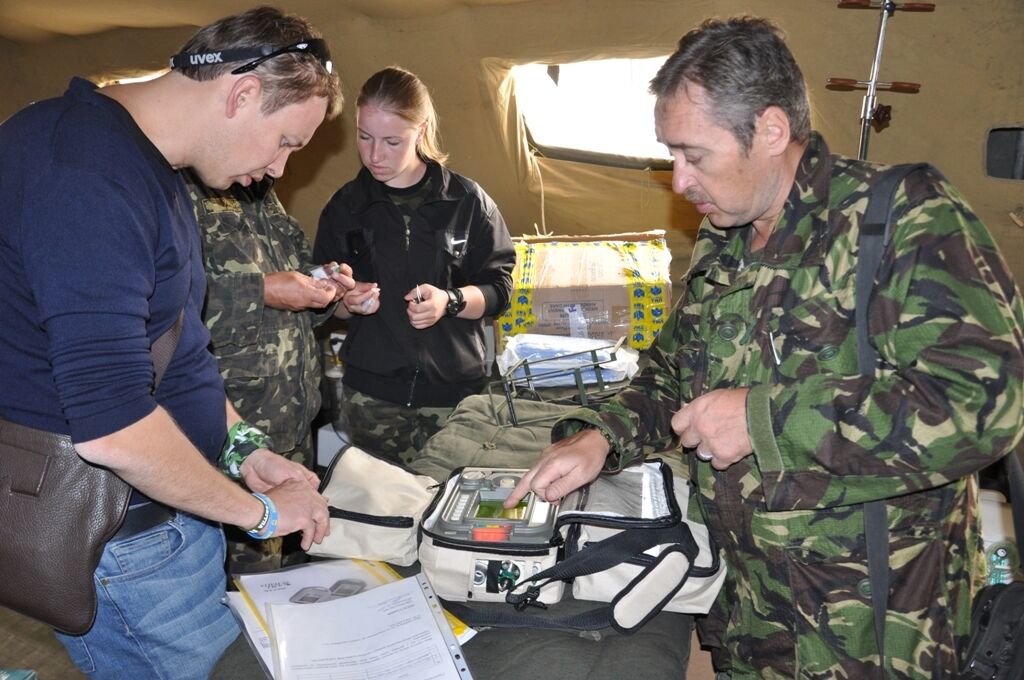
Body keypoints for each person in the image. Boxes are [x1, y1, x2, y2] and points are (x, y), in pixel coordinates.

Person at [506, 16, 1024, 679]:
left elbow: (988, 400)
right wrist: (599, 437)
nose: (681, 180)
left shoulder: (900, 219)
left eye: (695, 154)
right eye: (673, 155)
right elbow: (670, 371)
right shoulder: (726, 237)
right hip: (749, 620)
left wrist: (761, 420)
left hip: (868, 640)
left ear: (772, 131)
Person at [0, 6, 342, 679]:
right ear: (241, 94)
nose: (278, 167)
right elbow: (113, 426)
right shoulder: (84, 175)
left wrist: (246, 452)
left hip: (168, 516)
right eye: (285, 142)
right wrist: (262, 514)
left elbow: (179, 355)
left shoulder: (148, 165)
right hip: (117, 538)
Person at [314, 66, 516, 463]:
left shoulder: (466, 202)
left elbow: (500, 288)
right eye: (364, 137)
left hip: (455, 397)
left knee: (451, 515)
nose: (374, 155)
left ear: (421, 131)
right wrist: (345, 301)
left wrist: (450, 301)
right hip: (373, 399)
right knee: (384, 513)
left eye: (392, 141)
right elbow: (319, 298)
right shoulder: (347, 207)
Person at [183, 168, 355, 573]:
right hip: (229, 434)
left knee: (290, 576)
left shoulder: (261, 189)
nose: (281, 164)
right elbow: (166, 307)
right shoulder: (177, 188)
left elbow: (293, 296)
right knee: (242, 585)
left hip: (291, 427)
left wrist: (326, 289)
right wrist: (264, 290)